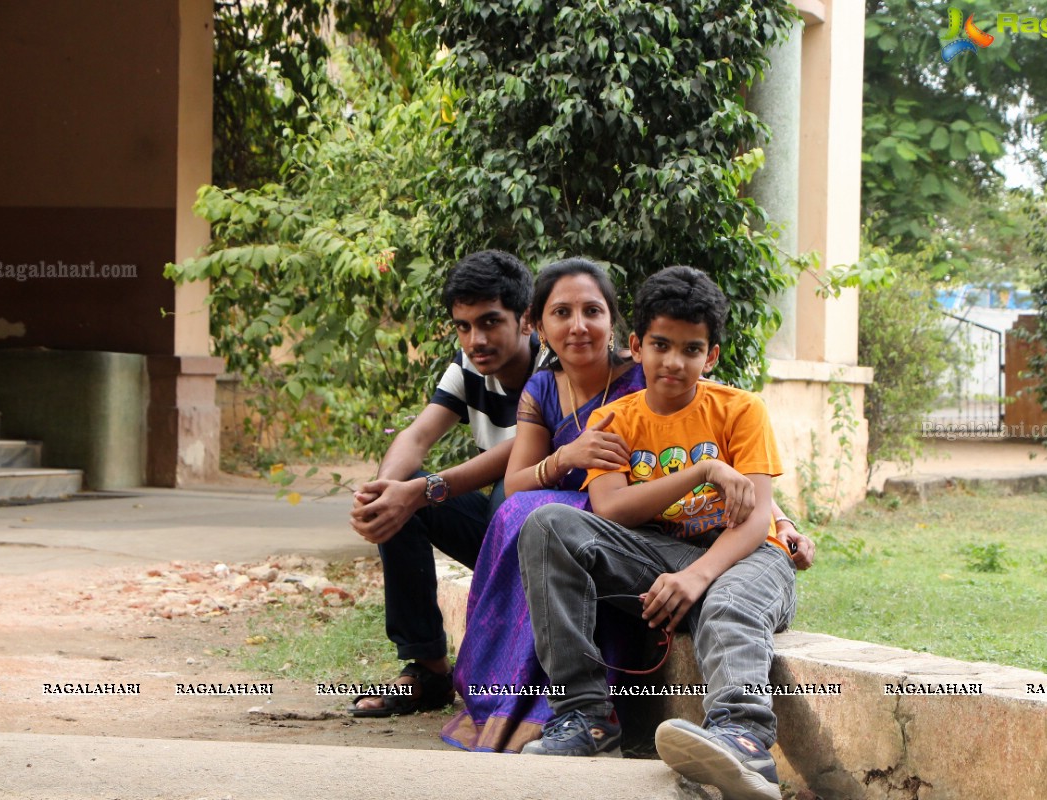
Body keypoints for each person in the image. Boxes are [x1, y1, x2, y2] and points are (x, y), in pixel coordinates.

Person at [517, 266, 815, 800]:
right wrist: (701, 471)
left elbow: (754, 520)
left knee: (727, 603)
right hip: (659, 556)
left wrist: (696, 577)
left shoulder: (741, 410)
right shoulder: (612, 419)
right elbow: (610, 508)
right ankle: (587, 719)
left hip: (751, 557)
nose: (674, 362)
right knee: (547, 525)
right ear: (635, 345)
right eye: (661, 344)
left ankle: (744, 742)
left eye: (691, 349)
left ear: (712, 356)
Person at [442, 257, 645, 752]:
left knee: (541, 518)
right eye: (562, 313)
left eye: (592, 311)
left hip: (632, 522)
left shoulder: (643, 378)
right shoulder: (542, 388)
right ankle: (512, 700)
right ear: (538, 324)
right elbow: (516, 484)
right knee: (522, 512)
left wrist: (778, 517)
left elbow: (719, 445)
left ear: (613, 321)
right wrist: (565, 458)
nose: (578, 326)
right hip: (557, 521)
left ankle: (569, 710)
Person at [348, 249, 537, 717]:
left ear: (526, 320)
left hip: (552, 537)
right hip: (500, 535)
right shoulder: (468, 367)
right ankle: (429, 670)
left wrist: (421, 490)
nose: (476, 339)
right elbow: (418, 434)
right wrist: (383, 492)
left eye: (490, 322)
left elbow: (523, 452)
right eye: (464, 326)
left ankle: (516, 671)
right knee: (400, 495)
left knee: (507, 494)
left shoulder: (555, 365)